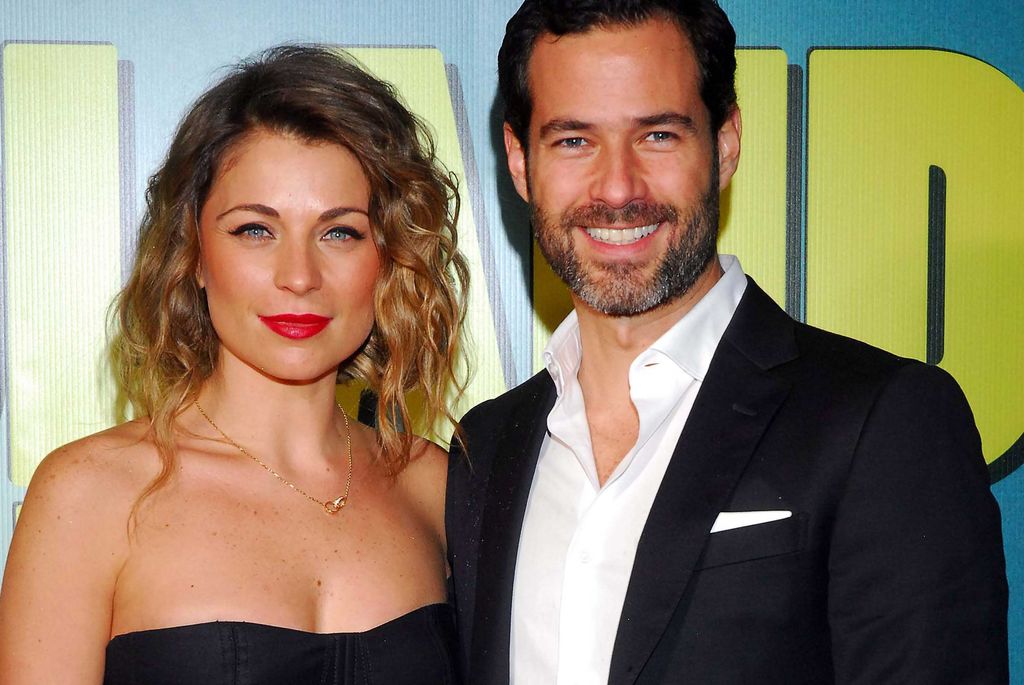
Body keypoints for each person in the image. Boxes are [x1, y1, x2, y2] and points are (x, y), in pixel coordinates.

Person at [446, 1, 1009, 683]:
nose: (618, 188)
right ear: (519, 161)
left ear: (726, 142)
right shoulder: (486, 448)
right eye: (573, 140)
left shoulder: (883, 421)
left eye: (658, 135)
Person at [0, 45, 467, 684]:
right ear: (193, 253)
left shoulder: (433, 486)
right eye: (255, 230)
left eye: (340, 232)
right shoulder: (90, 493)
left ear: (387, 259)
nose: (299, 276)